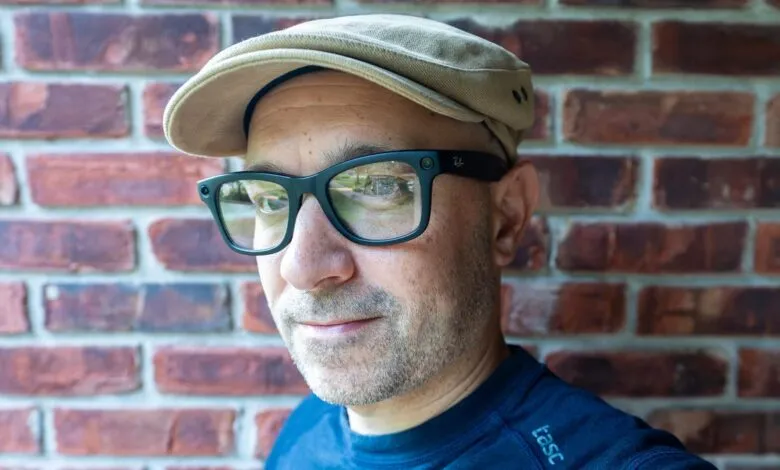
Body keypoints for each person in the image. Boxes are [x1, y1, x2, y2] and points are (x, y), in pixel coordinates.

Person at [162, 14, 717, 469]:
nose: (303, 267)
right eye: (268, 196)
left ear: (506, 217)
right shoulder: (309, 426)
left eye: (377, 186)